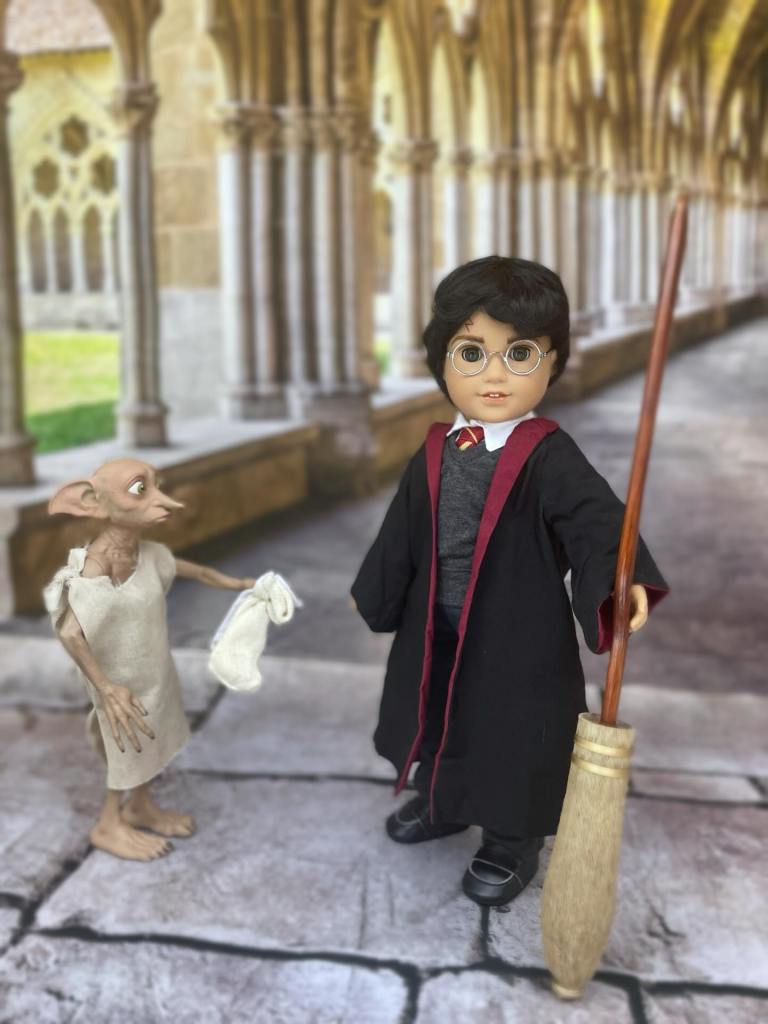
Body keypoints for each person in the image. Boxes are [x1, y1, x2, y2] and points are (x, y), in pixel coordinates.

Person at [351, 256, 668, 906]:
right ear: (442, 362)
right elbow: (403, 529)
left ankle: (511, 838)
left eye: (519, 353)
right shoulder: (436, 449)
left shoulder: (550, 455)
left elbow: (595, 520)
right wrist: (380, 592)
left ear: (552, 362)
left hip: (515, 631)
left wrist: (620, 577)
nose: (494, 373)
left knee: (512, 732)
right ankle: (441, 800)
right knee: (435, 711)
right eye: (472, 352)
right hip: (436, 623)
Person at [44, 458, 255, 862]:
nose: (164, 501)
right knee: (125, 749)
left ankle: (140, 807)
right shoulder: (96, 567)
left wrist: (244, 585)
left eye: (156, 485)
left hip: (154, 675)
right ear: (93, 502)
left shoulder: (149, 554)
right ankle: (109, 823)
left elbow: (201, 573)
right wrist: (107, 689)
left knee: (152, 742)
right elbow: (71, 632)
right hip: (122, 688)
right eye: (140, 489)